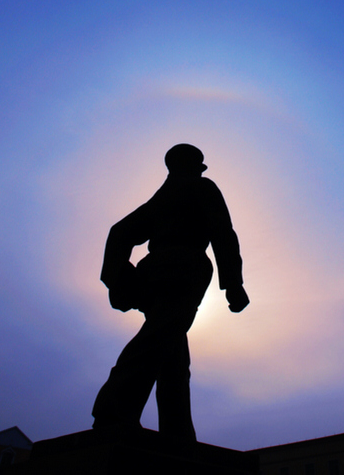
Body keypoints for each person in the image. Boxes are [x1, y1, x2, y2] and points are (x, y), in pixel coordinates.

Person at [92, 143, 249, 440]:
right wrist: (234, 284)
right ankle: (113, 407)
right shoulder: (202, 188)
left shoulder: (161, 198)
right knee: (158, 338)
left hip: (153, 270)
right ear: (194, 165)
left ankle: (177, 432)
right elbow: (223, 233)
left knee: (172, 354)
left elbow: (119, 232)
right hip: (185, 268)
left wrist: (117, 279)